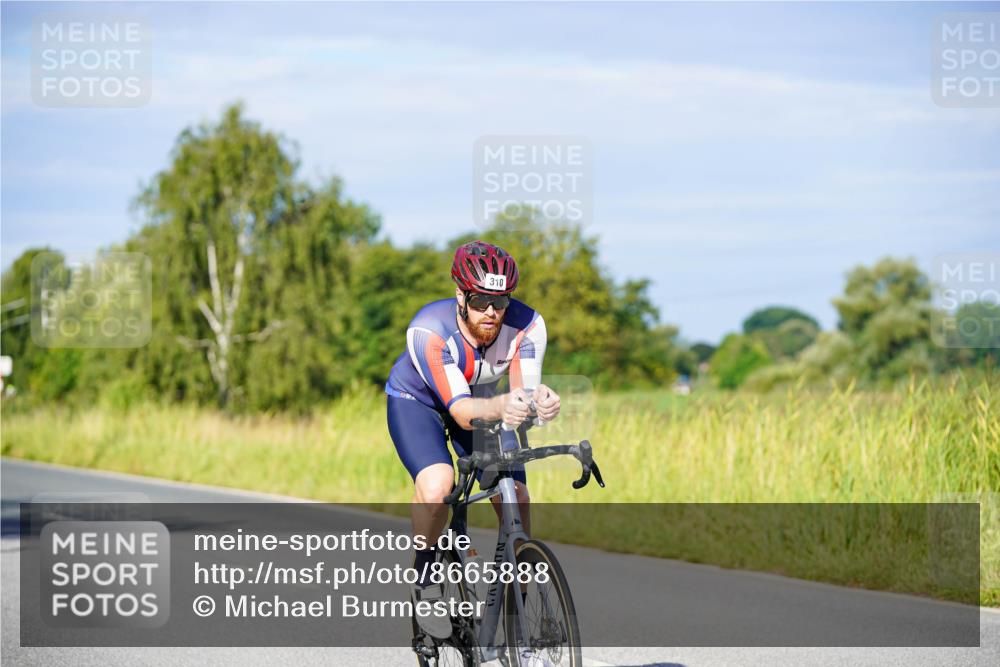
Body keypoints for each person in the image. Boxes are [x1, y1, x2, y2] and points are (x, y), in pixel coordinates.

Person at [385, 240, 561, 639]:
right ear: (460, 295)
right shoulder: (429, 331)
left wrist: (541, 402)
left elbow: (523, 392)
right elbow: (462, 413)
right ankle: (427, 577)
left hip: (484, 401)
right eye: (481, 301)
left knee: (515, 491)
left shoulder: (528, 326)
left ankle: (521, 589)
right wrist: (506, 406)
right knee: (437, 486)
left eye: (500, 303)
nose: (492, 313)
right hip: (420, 403)